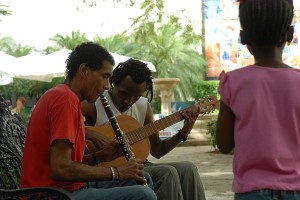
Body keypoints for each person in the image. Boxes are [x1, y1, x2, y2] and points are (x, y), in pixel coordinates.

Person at [20, 42, 157, 200]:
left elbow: (63, 163)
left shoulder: (66, 98)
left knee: (142, 178)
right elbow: (60, 168)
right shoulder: (65, 100)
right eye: (104, 76)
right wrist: (117, 172)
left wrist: (101, 156)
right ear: (84, 70)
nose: (106, 86)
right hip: (51, 195)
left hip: (67, 188)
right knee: (144, 195)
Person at [82, 58, 207, 200]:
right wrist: (92, 134)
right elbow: (67, 122)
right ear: (114, 82)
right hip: (108, 169)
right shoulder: (95, 102)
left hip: (139, 164)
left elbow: (157, 150)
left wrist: (183, 133)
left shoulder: (143, 106)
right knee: (168, 173)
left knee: (188, 168)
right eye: (124, 94)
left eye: (135, 96)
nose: (129, 101)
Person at [216, 0, 300, 199]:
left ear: (243, 37)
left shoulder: (232, 82)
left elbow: (224, 143)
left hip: (251, 191)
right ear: (290, 34)